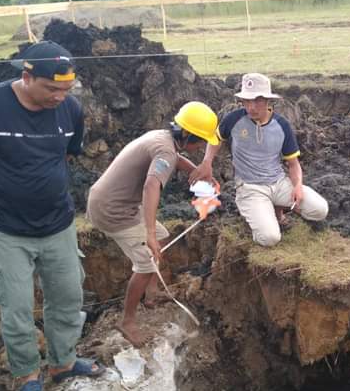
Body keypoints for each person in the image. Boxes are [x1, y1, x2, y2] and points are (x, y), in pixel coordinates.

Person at [0, 41, 104, 391]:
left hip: (58, 223)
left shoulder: (69, 109)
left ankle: (63, 363)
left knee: (67, 297)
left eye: (65, 89)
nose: (59, 97)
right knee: (16, 306)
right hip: (6, 228)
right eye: (51, 88)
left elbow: (67, 154)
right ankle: (26, 374)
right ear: (27, 76)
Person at [86, 101, 219, 347]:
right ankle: (127, 321)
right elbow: (151, 186)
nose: (201, 146)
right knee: (146, 263)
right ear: (187, 134)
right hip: (113, 210)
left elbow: (174, 158)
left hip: (114, 201)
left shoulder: (163, 137)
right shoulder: (166, 150)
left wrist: (198, 171)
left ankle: (152, 293)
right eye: (200, 141)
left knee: (163, 235)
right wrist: (147, 232)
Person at [189, 73, 328, 247]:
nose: (251, 107)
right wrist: (207, 162)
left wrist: (298, 186)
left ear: (268, 101)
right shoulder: (233, 119)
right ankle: (256, 214)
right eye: (247, 101)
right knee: (270, 238)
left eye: (257, 100)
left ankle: (275, 208)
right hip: (250, 187)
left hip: (278, 183)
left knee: (320, 209)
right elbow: (215, 139)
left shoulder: (282, 125)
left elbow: (293, 164)